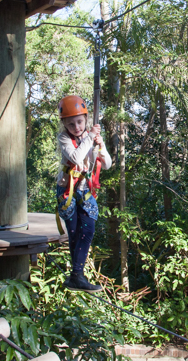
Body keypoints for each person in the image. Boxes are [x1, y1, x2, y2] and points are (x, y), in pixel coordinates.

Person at [56, 95, 111, 293]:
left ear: (86, 119)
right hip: (68, 190)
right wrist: (89, 138)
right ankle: (77, 276)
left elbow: (107, 165)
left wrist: (101, 146)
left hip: (85, 189)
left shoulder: (90, 136)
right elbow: (76, 157)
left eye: (80, 122)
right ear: (64, 124)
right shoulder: (64, 138)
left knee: (87, 230)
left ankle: (76, 275)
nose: (76, 127)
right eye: (71, 124)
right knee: (74, 233)